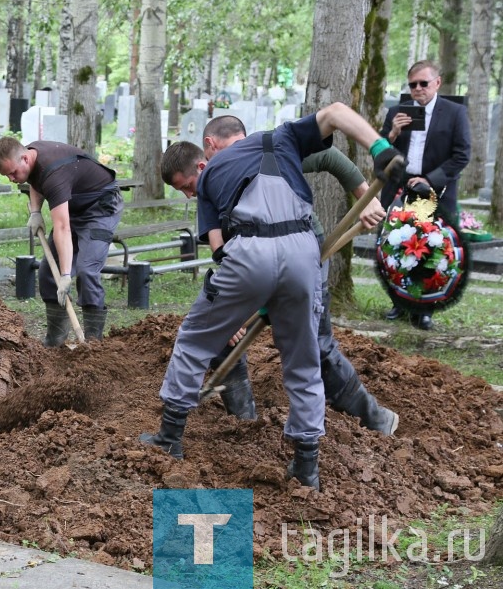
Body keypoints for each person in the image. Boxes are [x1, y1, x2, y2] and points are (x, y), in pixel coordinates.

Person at [139, 103, 403, 490]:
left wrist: (234, 310)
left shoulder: (211, 173)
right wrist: (380, 149)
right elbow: (334, 113)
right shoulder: (282, 138)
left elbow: (219, 249)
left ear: (208, 149)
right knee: (304, 359)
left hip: (248, 254)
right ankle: (306, 467)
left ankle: (169, 438)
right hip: (302, 253)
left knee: (194, 340)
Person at [0, 137, 123, 345]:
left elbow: (62, 228)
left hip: (101, 208)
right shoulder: (32, 156)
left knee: (87, 270)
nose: (12, 179)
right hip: (74, 206)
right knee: (47, 273)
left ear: (25, 158)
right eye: (7, 175)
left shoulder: (55, 174)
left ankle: (93, 343)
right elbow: (35, 180)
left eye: (13, 172)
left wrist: (66, 275)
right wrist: (35, 212)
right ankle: (56, 340)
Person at [379, 60, 471, 330]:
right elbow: (382, 150)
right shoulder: (398, 112)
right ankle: (399, 302)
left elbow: (462, 154)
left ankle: (425, 309)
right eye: (412, 85)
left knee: (431, 249)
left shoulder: (454, 113)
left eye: (423, 83)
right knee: (396, 245)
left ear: (437, 83)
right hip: (401, 188)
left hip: (435, 189)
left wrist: (430, 180)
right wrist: (393, 133)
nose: (418, 89)